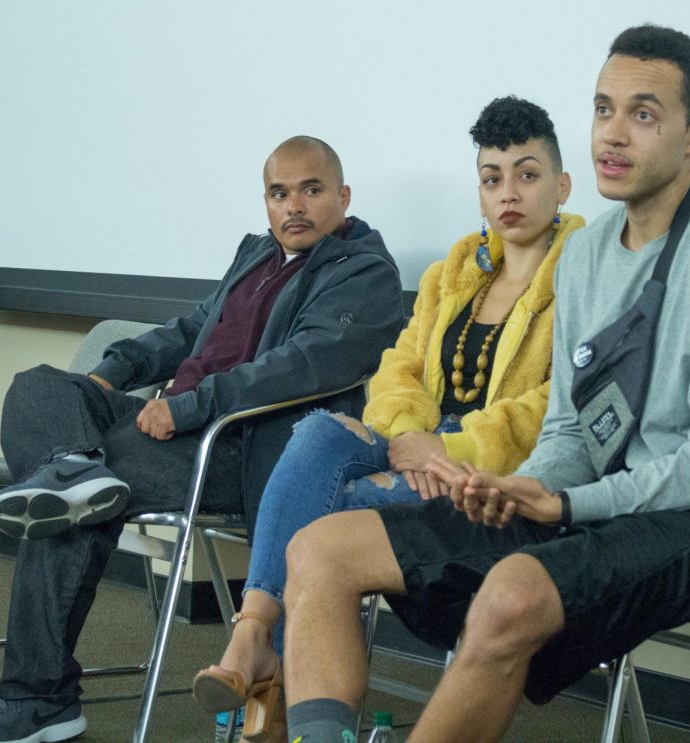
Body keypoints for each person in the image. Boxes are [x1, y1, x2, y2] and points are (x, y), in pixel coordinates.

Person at [277, 25, 690, 743]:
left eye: (643, 114)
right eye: (603, 109)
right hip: (616, 503)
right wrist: (522, 490)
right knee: (322, 547)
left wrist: (565, 501)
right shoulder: (586, 255)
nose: (614, 134)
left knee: (512, 589)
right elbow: (573, 428)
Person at [0, 136, 404, 743]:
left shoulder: (363, 273)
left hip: (232, 443)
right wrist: (113, 372)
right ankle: (72, 466)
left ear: (342, 195)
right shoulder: (258, 256)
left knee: (69, 498)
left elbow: (304, 365)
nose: (294, 206)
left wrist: (190, 405)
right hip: (170, 422)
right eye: (280, 193)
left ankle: (38, 699)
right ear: (266, 201)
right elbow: (193, 328)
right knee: (38, 388)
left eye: (311, 190)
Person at [189, 96, 584, 741]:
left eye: (527, 174)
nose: (508, 193)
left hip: (495, 471)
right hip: (421, 448)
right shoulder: (452, 272)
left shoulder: (589, 274)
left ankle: (280, 686)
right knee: (317, 432)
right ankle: (256, 631)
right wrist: (409, 438)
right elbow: (399, 367)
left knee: (330, 507)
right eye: (492, 178)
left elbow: (562, 400)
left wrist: (452, 449)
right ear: (479, 191)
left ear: (561, 185)